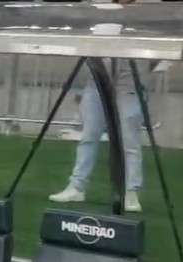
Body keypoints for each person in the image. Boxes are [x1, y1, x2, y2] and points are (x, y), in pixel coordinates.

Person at [49, 59, 153, 212]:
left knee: (129, 138)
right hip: (97, 78)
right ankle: (76, 186)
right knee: (89, 135)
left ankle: (130, 192)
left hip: (129, 78)